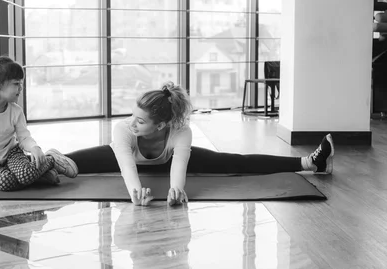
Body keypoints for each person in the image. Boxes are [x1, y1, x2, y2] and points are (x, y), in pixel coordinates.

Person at [64, 82, 335, 207]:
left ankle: (310, 163)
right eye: (133, 116)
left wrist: (175, 191)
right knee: (69, 162)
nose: (132, 123)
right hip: (124, 157)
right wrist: (136, 194)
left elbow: (179, 166)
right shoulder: (124, 130)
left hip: (168, 159)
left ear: (160, 125)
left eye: (141, 121)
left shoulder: (180, 133)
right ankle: (36, 165)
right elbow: (127, 168)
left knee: (234, 162)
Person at [0, 56, 79, 194]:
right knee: (6, 182)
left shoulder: (16, 111)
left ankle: (51, 159)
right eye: (16, 84)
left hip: (12, 154)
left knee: (25, 173)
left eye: (21, 83)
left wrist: (35, 148)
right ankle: (40, 176)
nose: (21, 88)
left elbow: (24, 137)